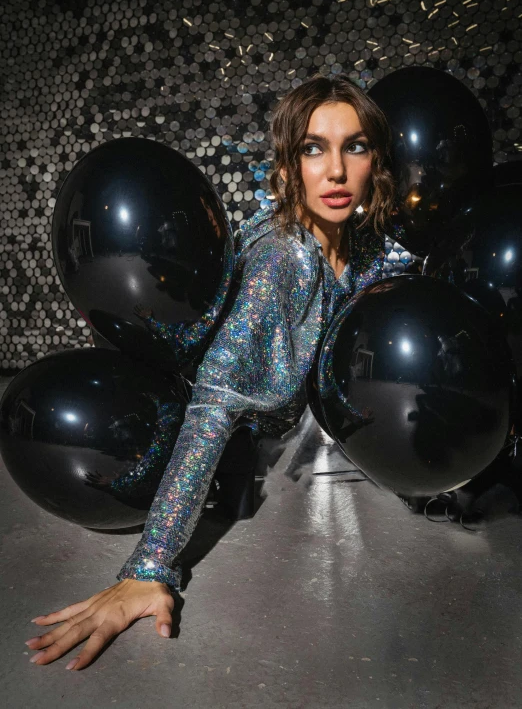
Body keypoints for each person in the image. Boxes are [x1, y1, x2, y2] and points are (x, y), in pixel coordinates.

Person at [24, 73, 396, 670]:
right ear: (289, 163)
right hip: (212, 447)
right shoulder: (283, 264)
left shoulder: (364, 248)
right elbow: (212, 408)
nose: (335, 171)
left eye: (354, 146)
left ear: (374, 158)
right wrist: (150, 567)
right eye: (312, 148)